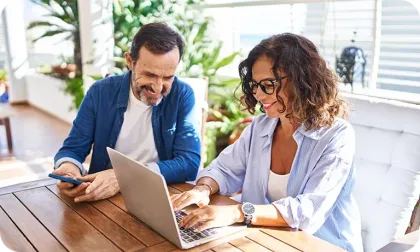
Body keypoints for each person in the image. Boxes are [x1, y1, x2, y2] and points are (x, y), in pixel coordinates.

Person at [171, 33, 363, 252]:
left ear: (302, 80)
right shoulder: (261, 127)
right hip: (261, 241)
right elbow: (224, 168)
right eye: (255, 85)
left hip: (321, 246)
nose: (259, 95)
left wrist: (237, 212)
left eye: (268, 85)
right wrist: (203, 189)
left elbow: (307, 212)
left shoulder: (336, 136)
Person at [52, 22, 201, 203]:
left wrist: (124, 177)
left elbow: (189, 164)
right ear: (130, 61)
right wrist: (69, 168)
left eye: (168, 77)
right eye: (150, 75)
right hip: (103, 197)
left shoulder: (182, 95)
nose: (158, 87)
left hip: (160, 195)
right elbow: (73, 148)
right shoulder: (100, 92)